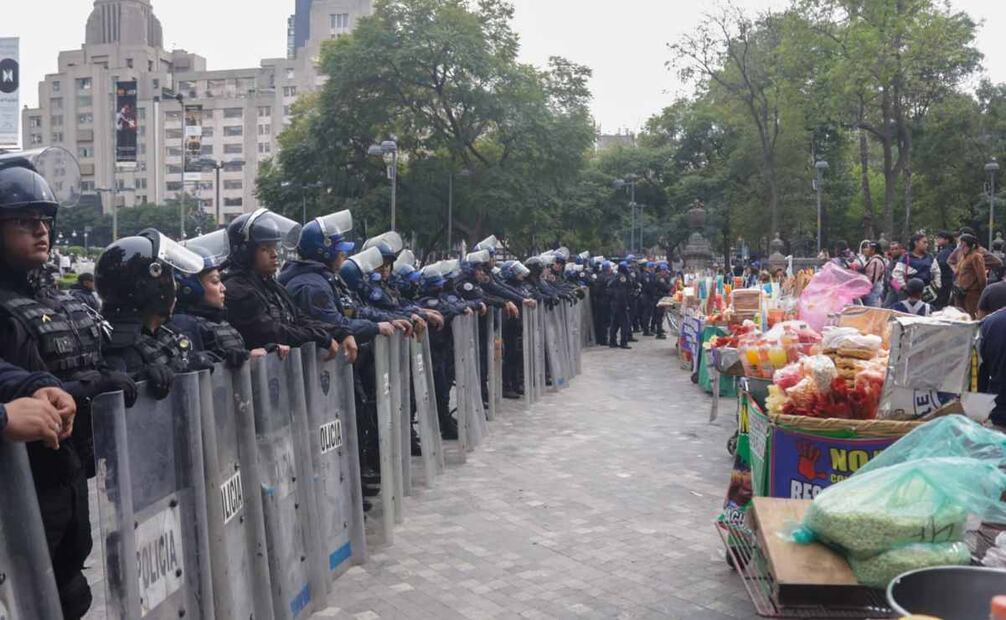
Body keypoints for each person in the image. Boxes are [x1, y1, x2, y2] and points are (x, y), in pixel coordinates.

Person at [0, 157, 137, 618]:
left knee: (68, 589)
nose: (40, 231)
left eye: (44, 220)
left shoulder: (56, 297)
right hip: (23, 482)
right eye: (23, 221)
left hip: (68, 469)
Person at [96, 229, 216, 393]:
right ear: (151, 288)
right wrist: (140, 379)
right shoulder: (117, 345)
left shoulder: (168, 333)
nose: (175, 288)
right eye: (169, 280)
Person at [223, 209, 349, 361]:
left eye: (275, 247)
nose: (275, 254)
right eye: (265, 249)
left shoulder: (269, 284)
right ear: (244, 252)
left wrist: (339, 332)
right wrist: (321, 338)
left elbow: (299, 318)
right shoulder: (237, 290)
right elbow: (273, 332)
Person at [170, 230, 278, 367]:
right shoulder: (186, 326)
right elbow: (194, 368)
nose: (223, 288)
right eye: (215, 282)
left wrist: (262, 354)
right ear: (190, 288)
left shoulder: (218, 320)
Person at [953, 233, 987, 319]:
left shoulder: (976, 256)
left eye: (964, 245)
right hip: (960, 292)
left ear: (971, 246)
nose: (962, 248)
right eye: (961, 245)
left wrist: (982, 292)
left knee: (971, 316)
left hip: (972, 293)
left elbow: (981, 277)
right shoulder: (963, 257)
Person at [607, 261, 633, 349]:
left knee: (615, 324)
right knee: (625, 323)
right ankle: (623, 342)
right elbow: (622, 292)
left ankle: (612, 342)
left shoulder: (616, 276)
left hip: (614, 303)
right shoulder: (622, 277)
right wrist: (625, 304)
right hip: (620, 304)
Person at [934, 231, 956, 310]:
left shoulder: (946, 252)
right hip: (947, 280)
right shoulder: (949, 250)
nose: (937, 240)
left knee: (941, 303)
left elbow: (942, 264)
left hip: (944, 280)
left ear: (947, 240)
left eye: (940, 238)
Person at [861, 241, 887, 307]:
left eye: (868, 248)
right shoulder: (873, 260)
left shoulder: (876, 261)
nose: (866, 250)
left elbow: (872, 279)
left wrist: (865, 290)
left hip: (873, 290)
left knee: (872, 309)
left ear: (873, 250)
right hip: (873, 289)